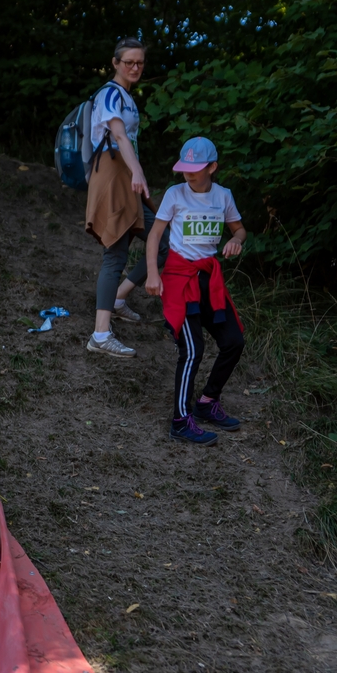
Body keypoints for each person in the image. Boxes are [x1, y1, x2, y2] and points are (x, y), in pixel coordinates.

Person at [143, 137, 247, 445]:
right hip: (179, 278)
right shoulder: (175, 194)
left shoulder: (223, 196)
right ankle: (180, 421)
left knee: (233, 341)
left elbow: (239, 229)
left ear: (212, 167)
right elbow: (155, 235)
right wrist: (153, 273)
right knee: (192, 350)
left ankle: (207, 402)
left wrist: (236, 240)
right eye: (185, 167)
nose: (188, 173)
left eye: (196, 168)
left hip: (208, 279)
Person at [83, 37, 157, 359]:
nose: (135, 67)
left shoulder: (126, 97)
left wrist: (135, 173)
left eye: (139, 62)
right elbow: (118, 135)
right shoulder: (110, 93)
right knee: (115, 252)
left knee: (164, 239)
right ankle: (100, 334)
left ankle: (119, 297)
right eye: (129, 62)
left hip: (126, 177)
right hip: (114, 176)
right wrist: (138, 171)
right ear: (115, 63)